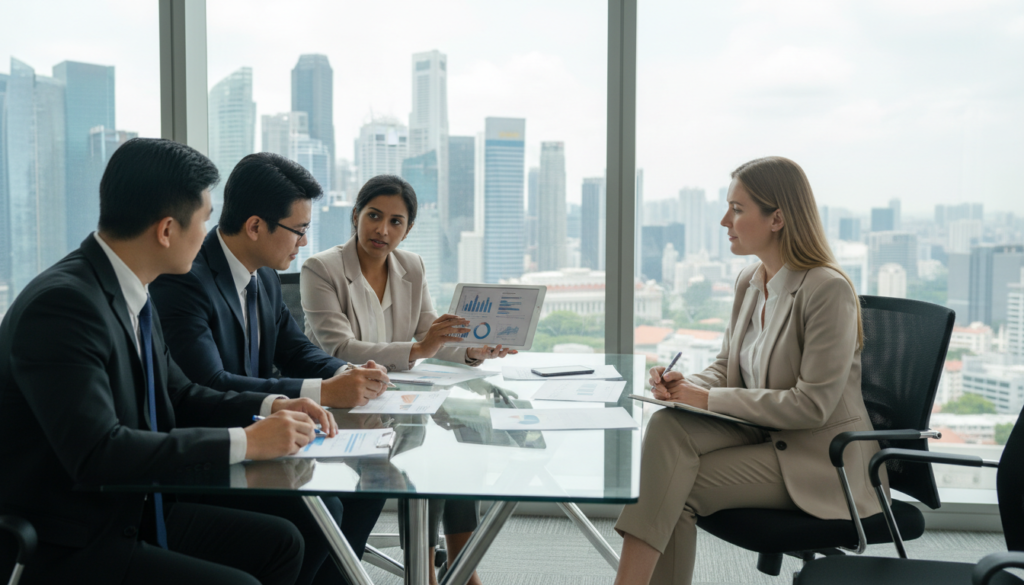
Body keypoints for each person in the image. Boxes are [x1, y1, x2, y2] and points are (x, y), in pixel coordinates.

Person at [0, 138, 339, 585]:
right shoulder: (65, 305)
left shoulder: (132, 291)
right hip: (74, 538)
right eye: (204, 220)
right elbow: (100, 452)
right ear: (166, 230)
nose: (208, 234)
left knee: (284, 542)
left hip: (135, 508)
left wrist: (273, 407)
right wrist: (249, 442)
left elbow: (180, 393)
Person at [613, 156, 886, 585]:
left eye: (737, 209)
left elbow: (811, 406)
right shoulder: (750, 280)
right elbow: (727, 367)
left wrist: (704, 399)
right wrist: (685, 384)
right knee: (668, 426)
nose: (725, 220)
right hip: (762, 432)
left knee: (672, 491)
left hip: (819, 459)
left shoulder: (826, 290)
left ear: (777, 218)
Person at [150, 152, 388, 585]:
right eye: (298, 230)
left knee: (368, 487)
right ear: (256, 226)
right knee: (325, 508)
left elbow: (296, 349)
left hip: (269, 440)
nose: (303, 243)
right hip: (213, 451)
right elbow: (208, 384)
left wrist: (349, 372)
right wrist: (324, 394)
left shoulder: (264, 277)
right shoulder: (185, 279)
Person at [301, 174, 514, 585]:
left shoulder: (411, 266)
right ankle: (428, 571)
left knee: (454, 447)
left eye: (396, 222)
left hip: (398, 403)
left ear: (409, 228)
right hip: (343, 405)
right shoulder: (320, 268)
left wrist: (472, 350)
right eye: (374, 216)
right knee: (423, 461)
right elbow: (338, 348)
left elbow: (431, 333)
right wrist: (417, 350)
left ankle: (459, 566)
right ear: (356, 216)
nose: (383, 230)